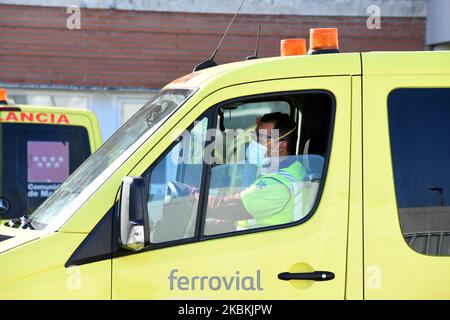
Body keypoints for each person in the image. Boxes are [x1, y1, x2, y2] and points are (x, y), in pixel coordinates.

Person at [204, 112, 309, 234]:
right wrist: (214, 226)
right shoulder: (294, 169)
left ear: (280, 146)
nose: (254, 141)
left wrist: (190, 195)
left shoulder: (277, 183)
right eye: (255, 135)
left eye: (261, 138)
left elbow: (227, 207)